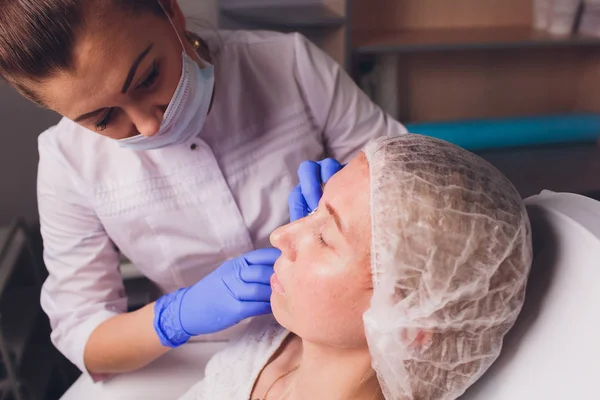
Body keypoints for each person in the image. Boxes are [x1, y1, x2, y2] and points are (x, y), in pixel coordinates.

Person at [0, 0, 406, 397]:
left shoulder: (290, 65)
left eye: (147, 78)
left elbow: (413, 191)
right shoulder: (67, 161)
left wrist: (361, 190)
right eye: (104, 119)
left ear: (170, 11)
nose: (149, 125)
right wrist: (177, 316)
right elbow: (82, 331)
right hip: (197, 352)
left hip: (341, 330)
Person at [178, 134, 533, 400]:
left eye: (325, 237)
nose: (279, 236)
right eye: (316, 209)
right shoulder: (271, 341)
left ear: (410, 322)